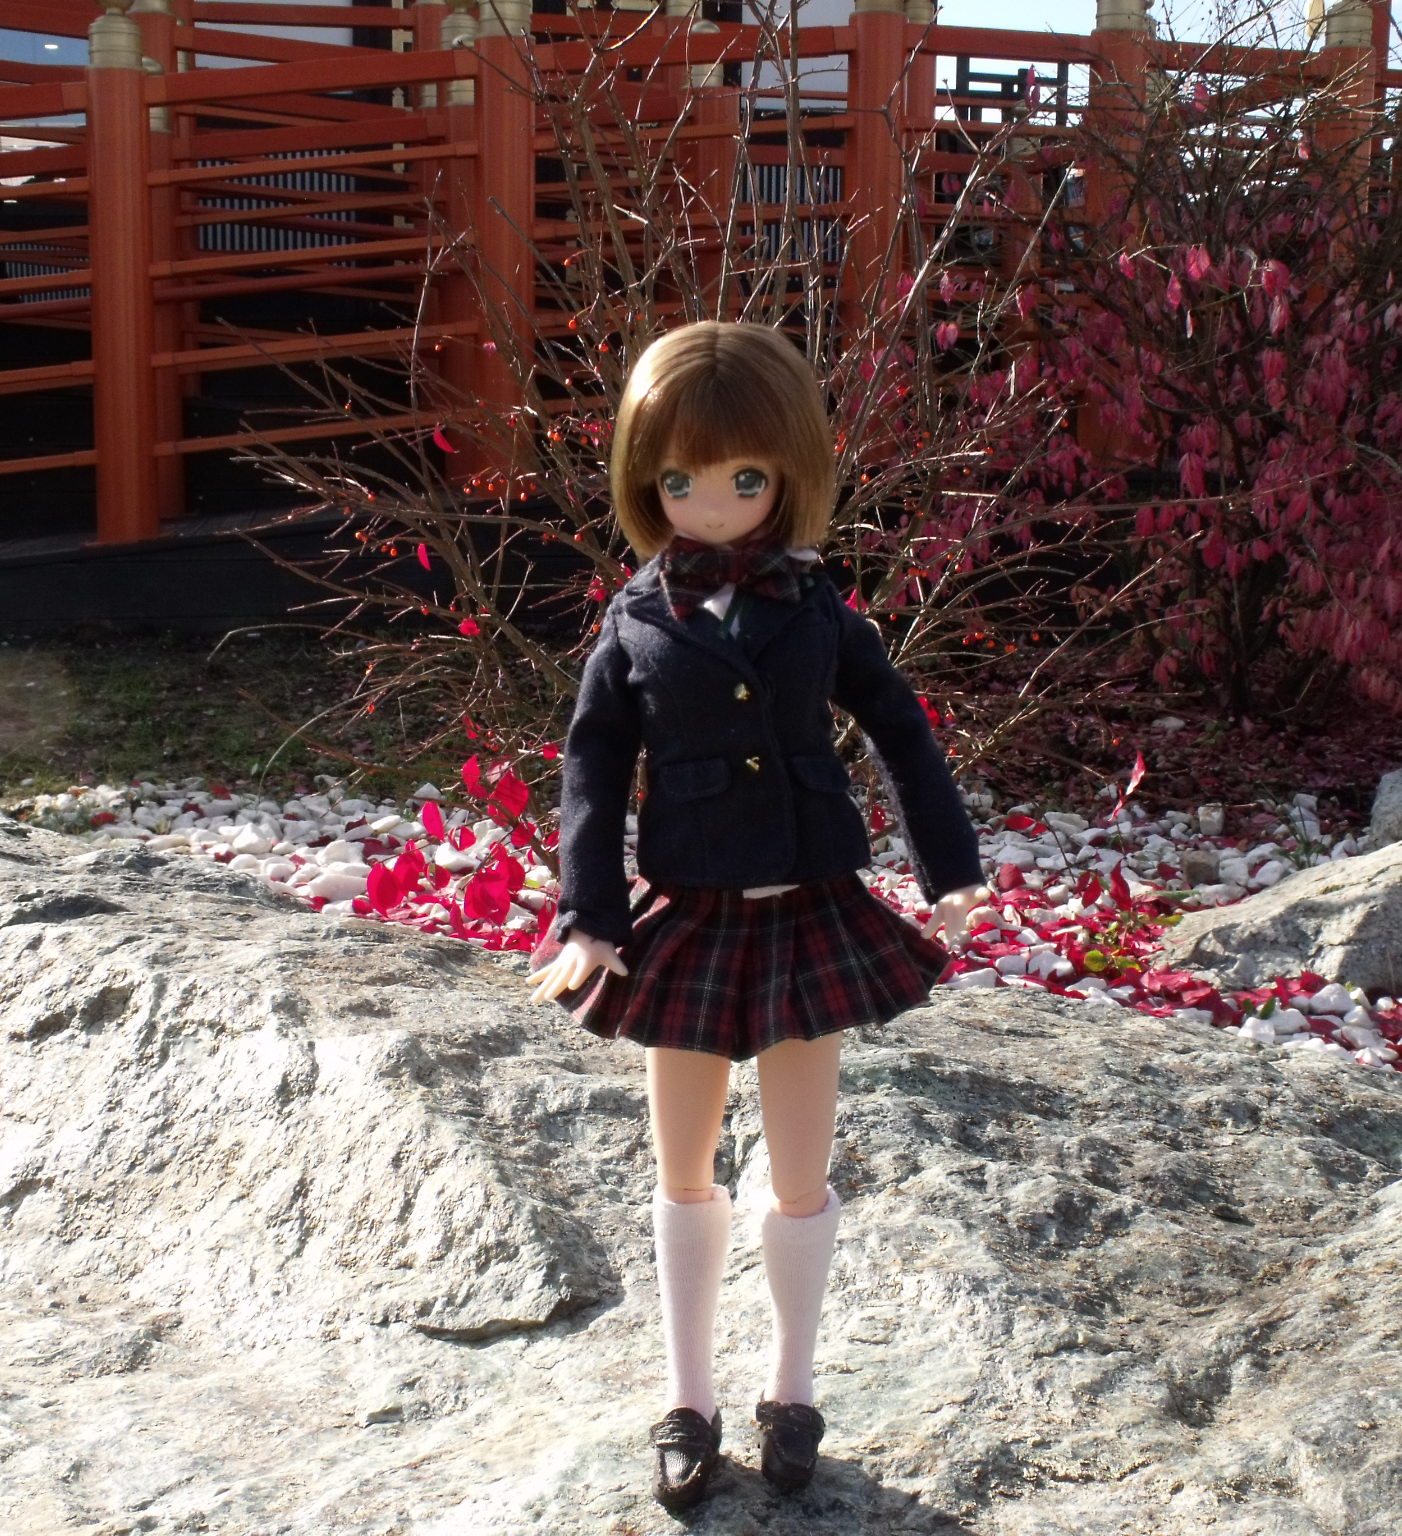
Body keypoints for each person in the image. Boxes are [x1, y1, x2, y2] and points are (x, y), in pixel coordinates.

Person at [526, 320, 986, 1511]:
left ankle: (791, 1387)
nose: (714, 503)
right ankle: (687, 1396)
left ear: (787, 474)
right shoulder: (634, 623)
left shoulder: (816, 607)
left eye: (743, 478)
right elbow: (590, 770)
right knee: (681, 1168)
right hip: (687, 914)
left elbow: (899, 728)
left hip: (807, 912)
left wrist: (948, 865)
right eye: (680, 480)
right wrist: (589, 916)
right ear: (645, 482)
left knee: (797, 1171)